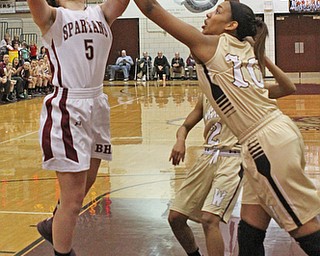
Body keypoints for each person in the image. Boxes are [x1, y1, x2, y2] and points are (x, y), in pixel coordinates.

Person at [134, 1, 320, 256]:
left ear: (231, 26)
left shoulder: (212, 46)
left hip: (265, 142)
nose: (209, 13)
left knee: (303, 228)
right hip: (268, 137)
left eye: (218, 11)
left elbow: (151, 9)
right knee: (250, 232)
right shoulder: (244, 47)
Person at [27, 0, 130, 256]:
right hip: (68, 105)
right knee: (73, 202)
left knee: (87, 182)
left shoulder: (102, 13)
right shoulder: (52, 16)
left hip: (96, 103)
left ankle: (54, 225)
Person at [168, 93, 243, 256]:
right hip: (207, 157)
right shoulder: (207, 95)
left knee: (209, 219)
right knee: (175, 217)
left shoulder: (242, 87)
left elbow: (286, 88)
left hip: (233, 158)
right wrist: (180, 140)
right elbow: (185, 126)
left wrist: (266, 66)